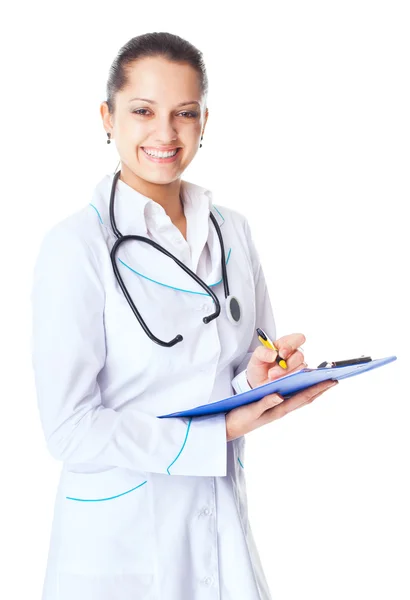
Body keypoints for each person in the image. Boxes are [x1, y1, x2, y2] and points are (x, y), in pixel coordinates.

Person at [30, 31, 338, 600]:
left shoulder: (232, 230)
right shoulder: (75, 245)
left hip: (218, 524)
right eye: (143, 111)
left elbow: (246, 360)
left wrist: (263, 377)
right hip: (117, 544)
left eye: (184, 113)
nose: (165, 133)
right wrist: (213, 434)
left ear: (203, 121)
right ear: (108, 116)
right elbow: (69, 428)